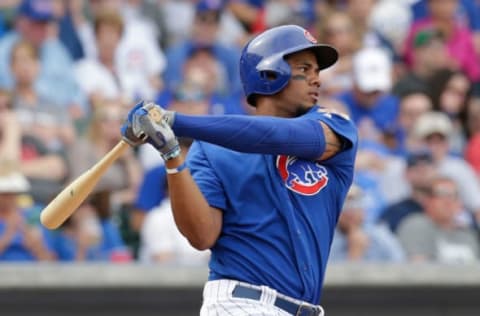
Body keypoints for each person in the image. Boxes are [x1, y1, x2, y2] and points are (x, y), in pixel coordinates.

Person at [122, 25, 358, 315]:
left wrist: (175, 121)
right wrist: (172, 155)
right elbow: (202, 236)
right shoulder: (211, 148)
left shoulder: (335, 125)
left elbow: (274, 137)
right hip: (241, 303)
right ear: (270, 74)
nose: (316, 80)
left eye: (317, 71)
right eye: (304, 68)